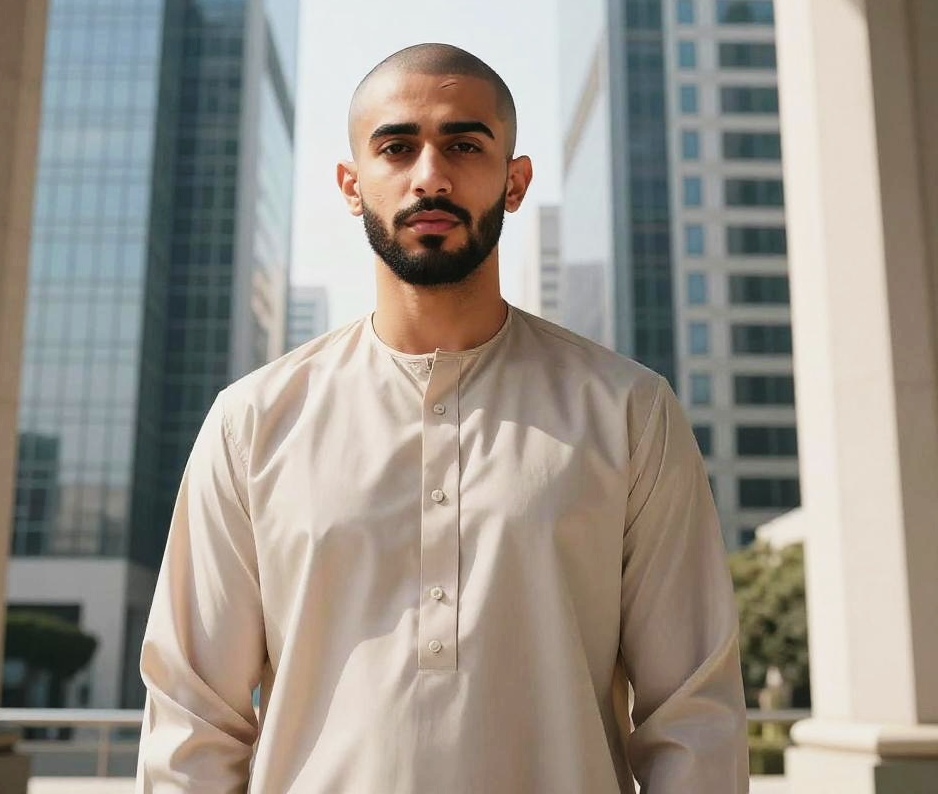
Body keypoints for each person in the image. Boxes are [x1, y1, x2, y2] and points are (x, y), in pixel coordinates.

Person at [135, 43, 749, 792]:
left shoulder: (627, 410)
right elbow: (192, 722)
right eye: (397, 147)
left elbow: (692, 717)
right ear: (352, 184)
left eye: (464, 144)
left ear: (515, 181)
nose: (431, 174)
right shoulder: (253, 420)